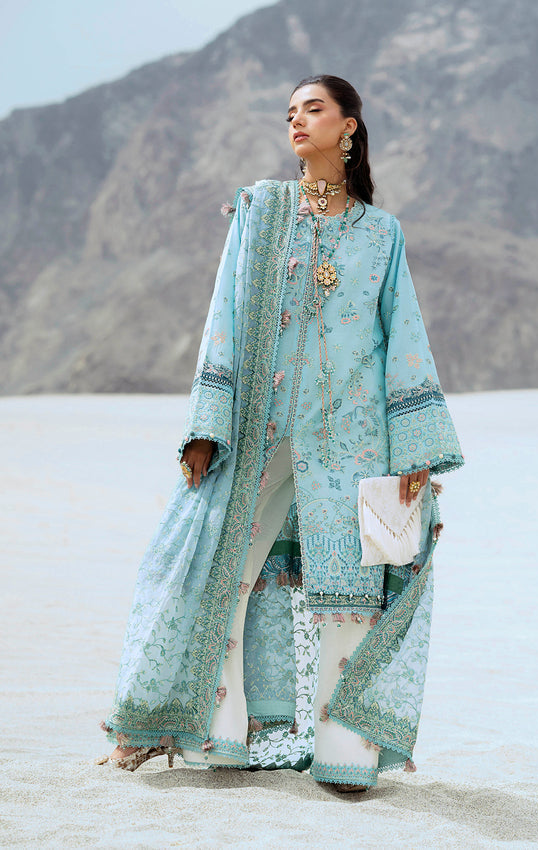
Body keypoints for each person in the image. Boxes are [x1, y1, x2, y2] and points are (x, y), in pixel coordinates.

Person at [101, 74, 463, 791]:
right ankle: (216, 734)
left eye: (313, 109)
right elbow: (225, 315)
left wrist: (415, 449)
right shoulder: (260, 211)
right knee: (222, 573)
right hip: (258, 428)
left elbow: (405, 338)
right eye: (290, 111)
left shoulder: (381, 233)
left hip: (355, 440)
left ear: (349, 125)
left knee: (350, 594)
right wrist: (206, 425)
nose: (296, 120)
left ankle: (345, 756)